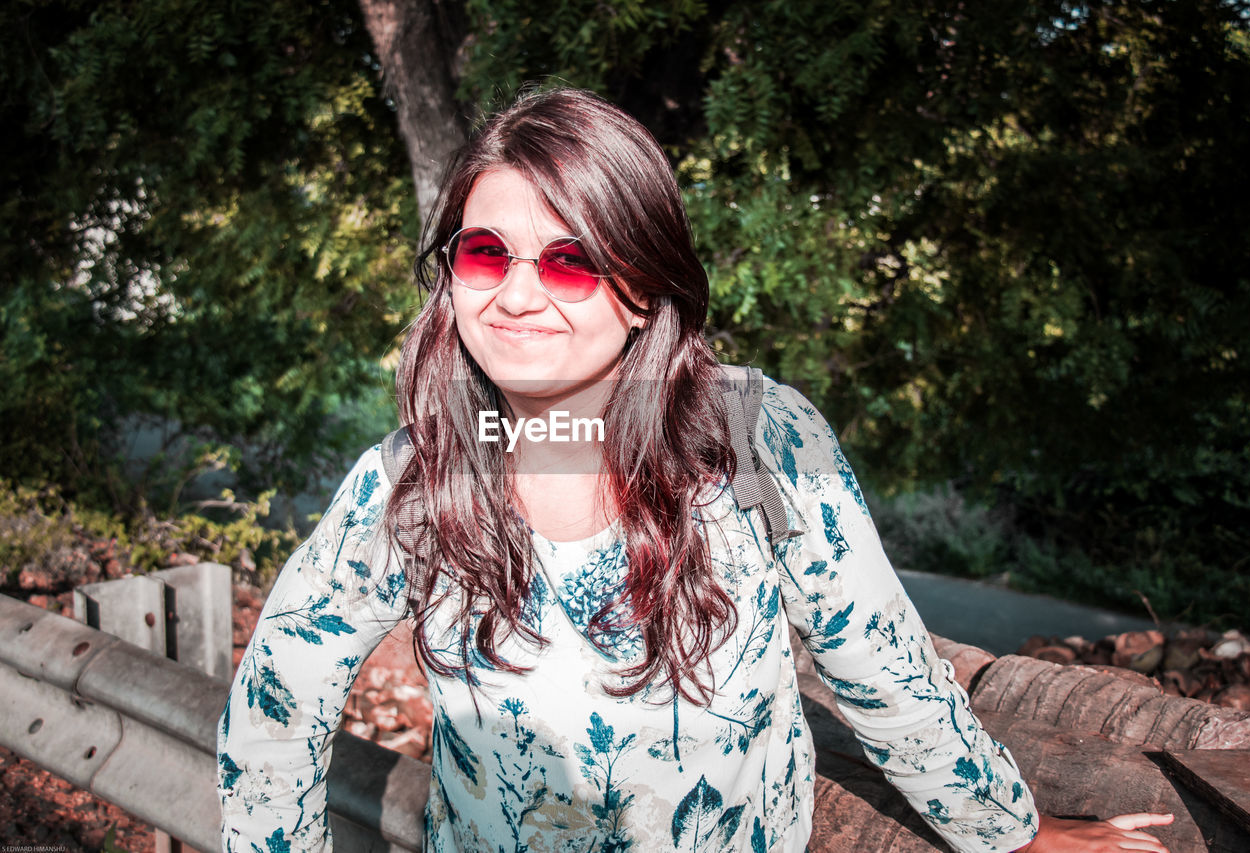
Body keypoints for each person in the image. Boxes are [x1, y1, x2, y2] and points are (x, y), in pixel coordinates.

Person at [217, 86, 1174, 853]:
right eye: (485, 252)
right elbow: (278, 699)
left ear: (642, 287)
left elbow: (879, 664)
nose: (516, 294)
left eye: (570, 261)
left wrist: (1014, 835)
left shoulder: (758, 438)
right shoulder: (413, 480)